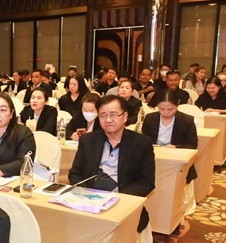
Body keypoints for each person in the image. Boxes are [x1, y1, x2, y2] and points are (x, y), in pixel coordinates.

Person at [68, 95, 155, 232]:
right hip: (89, 202)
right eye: (103, 115)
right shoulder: (88, 140)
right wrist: (87, 197)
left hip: (123, 203)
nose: (108, 120)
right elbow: (75, 174)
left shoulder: (142, 143)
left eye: (113, 115)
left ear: (125, 116)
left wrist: (119, 199)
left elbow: (146, 182)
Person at [142, 90, 198, 184]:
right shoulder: (150, 118)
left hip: (177, 160)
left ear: (177, 105)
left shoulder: (187, 120)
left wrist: (176, 147)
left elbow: (192, 145)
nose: (166, 112)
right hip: (154, 158)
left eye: (170, 109)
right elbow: (143, 141)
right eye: (161, 108)